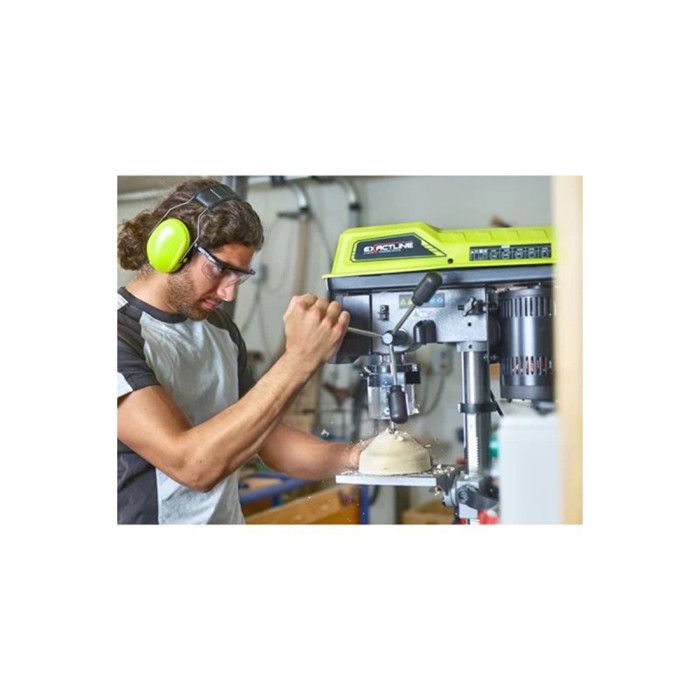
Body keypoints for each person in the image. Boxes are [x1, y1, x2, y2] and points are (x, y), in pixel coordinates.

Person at [117, 178, 364, 524]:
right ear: (171, 249)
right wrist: (299, 360)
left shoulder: (219, 328)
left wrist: (360, 457)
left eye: (238, 277)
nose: (229, 294)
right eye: (219, 269)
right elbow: (191, 466)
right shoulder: (118, 335)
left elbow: (269, 439)